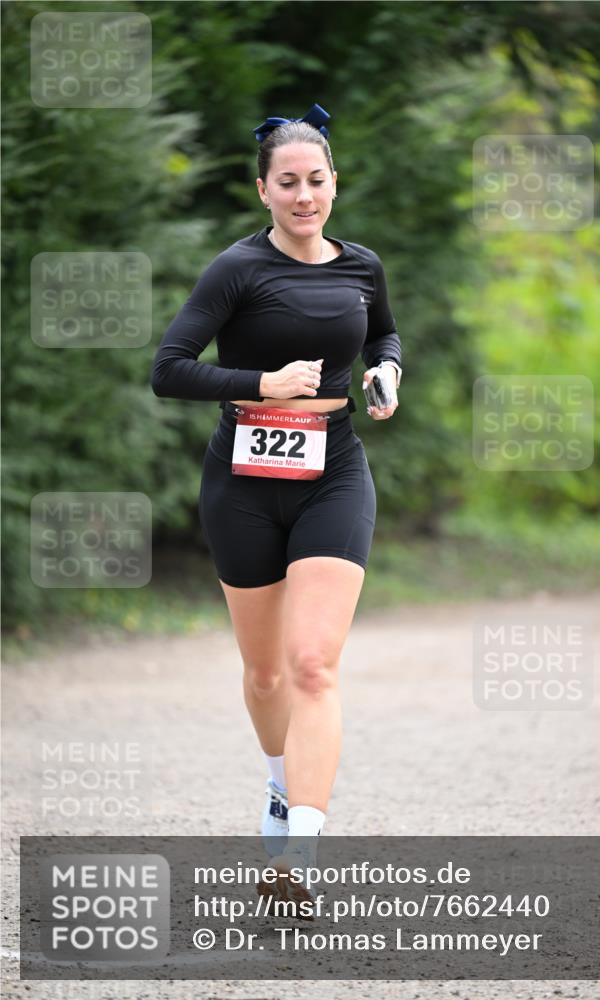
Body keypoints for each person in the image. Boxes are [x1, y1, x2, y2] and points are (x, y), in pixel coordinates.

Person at [150, 103, 402, 909]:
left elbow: (383, 336)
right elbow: (170, 368)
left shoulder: (362, 265)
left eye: (316, 181)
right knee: (264, 676)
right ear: (262, 190)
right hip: (245, 480)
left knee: (312, 666)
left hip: (334, 469)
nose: (304, 196)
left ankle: (298, 849)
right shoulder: (235, 270)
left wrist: (384, 372)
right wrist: (258, 384)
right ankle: (274, 782)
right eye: (286, 182)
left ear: (334, 183)